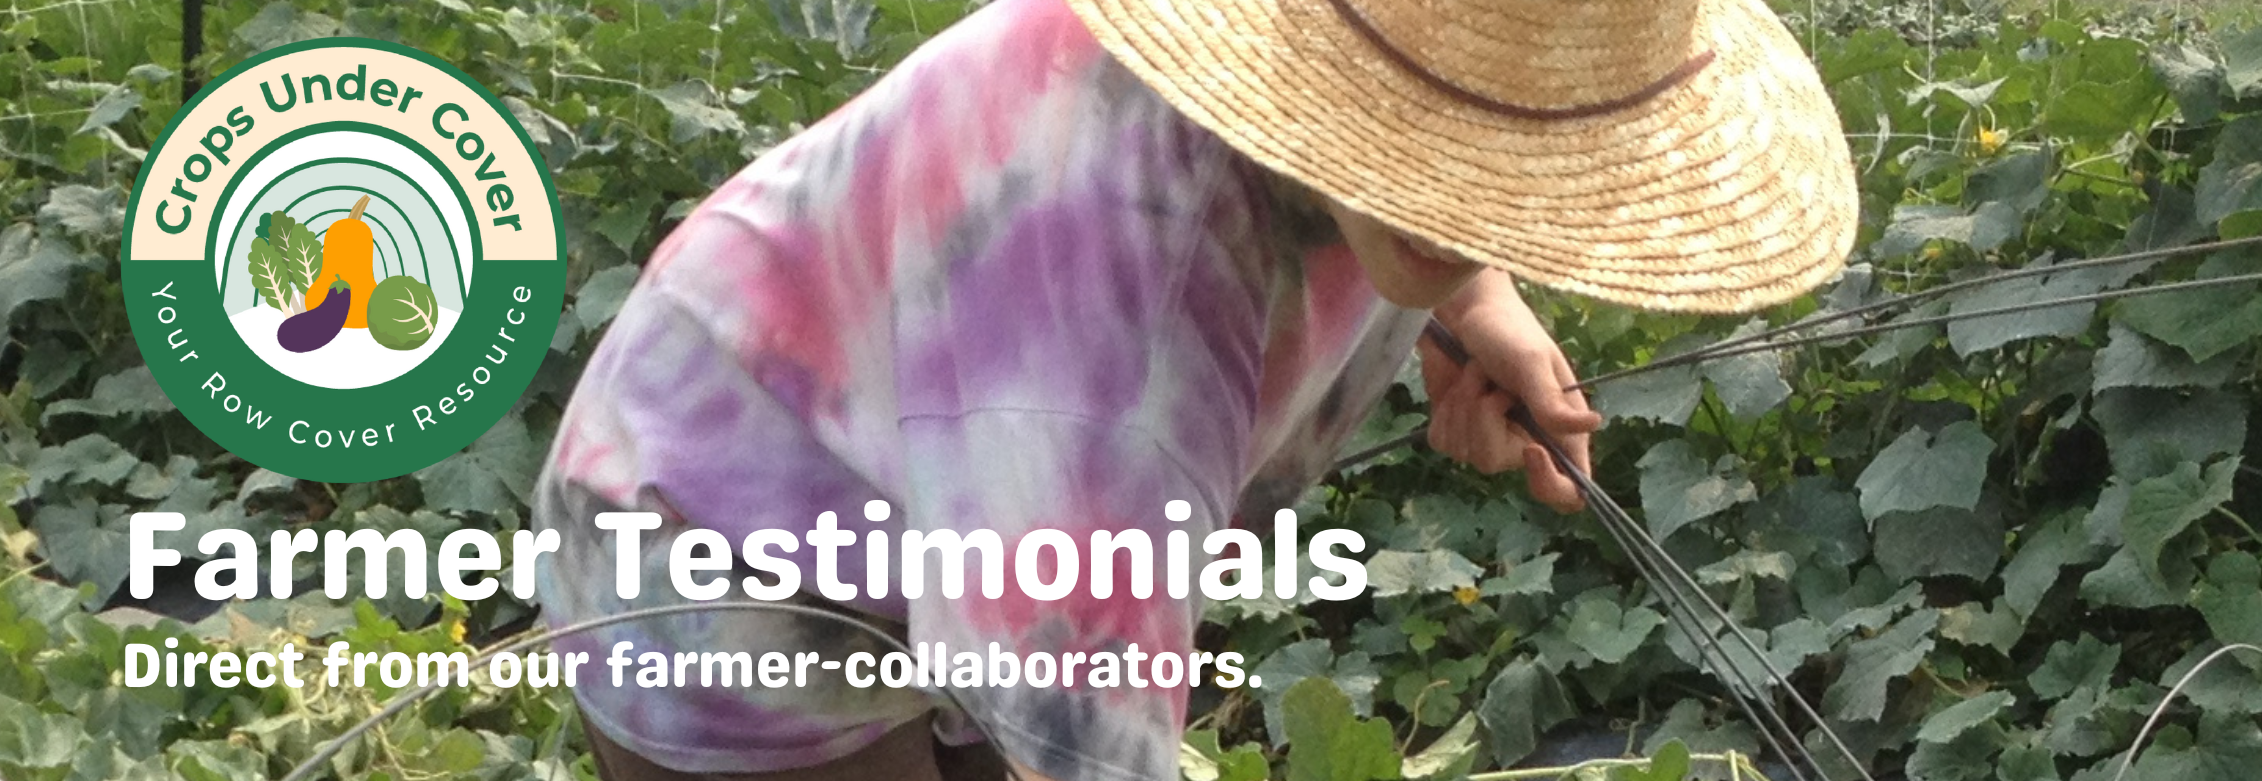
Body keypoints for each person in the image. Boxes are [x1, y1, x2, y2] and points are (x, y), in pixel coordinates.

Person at [527, 0, 1856, 777]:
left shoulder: (1338, 62)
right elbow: (1078, 720)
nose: (1467, 206)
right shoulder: (1112, 321)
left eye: (1509, 166)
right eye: (1438, 154)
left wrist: (1475, 300)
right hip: (720, 565)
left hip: (970, 506)